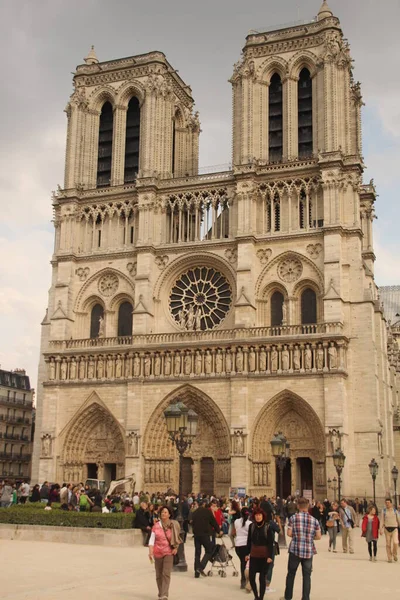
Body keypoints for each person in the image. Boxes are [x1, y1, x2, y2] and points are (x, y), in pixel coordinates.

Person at [280, 496, 321, 600]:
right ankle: (306, 598)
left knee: (291, 574)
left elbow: (289, 533)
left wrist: (298, 535)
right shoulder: (314, 520)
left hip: (295, 550)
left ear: (298, 506)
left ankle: (288, 597)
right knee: (307, 576)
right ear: (308, 506)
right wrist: (309, 538)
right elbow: (319, 536)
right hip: (308, 551)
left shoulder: (293, 518)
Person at [148, 505, 181, 600]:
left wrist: (176, 548)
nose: (163, 514)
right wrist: (150, 551)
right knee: (158, 575)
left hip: (168, 552)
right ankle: (161, 592)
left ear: (169, 514)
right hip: (157, 552)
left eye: (166, 512)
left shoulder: (173, 525)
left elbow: (177, 538)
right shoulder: (156, 526)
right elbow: (151, 540)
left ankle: (164, 594)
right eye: (162, 512)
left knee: (166, 573)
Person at [245, 507, 274, 600]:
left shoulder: (267, 527)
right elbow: (249, 541)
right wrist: (247, 554)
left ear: (263, 516)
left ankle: (261, 597)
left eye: (259, 515)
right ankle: (256, 595)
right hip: (254, 555)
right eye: (256, 515)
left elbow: (270, 542)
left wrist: (270, 556)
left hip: (264, 556)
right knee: (252, 577)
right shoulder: (251, 526)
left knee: (262, 578)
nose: (258, 517)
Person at [191, 499, 220, 577]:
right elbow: (213, 522)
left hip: (196, 535)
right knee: (209, 550)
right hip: (204, 534)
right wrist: (218, 530)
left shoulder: (195, 512)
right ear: (204, 504)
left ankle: (196, 572)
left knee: (197, 553)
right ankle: (201, 567)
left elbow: (191, 523)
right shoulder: (207, 512)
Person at [233, 507, 251, 589]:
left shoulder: (236, 521)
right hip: (245, 545)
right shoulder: (249, 523)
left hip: (238, 545)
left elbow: (234, 532)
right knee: (246, 564)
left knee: (242, 563)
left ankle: (243, 580)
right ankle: (245, 580)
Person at [380, 497, 400, 563]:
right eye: (386, 503)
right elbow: (382, 520)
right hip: (387, 529)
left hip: (394, 529)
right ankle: (389, 557)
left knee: (395, 542)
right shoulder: (384, 511)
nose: (387, 504)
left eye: (388, 503)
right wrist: (381, 528)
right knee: (388, 544)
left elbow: (398, 520)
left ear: (391, 503)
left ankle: (394, 554)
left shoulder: (395, 511)